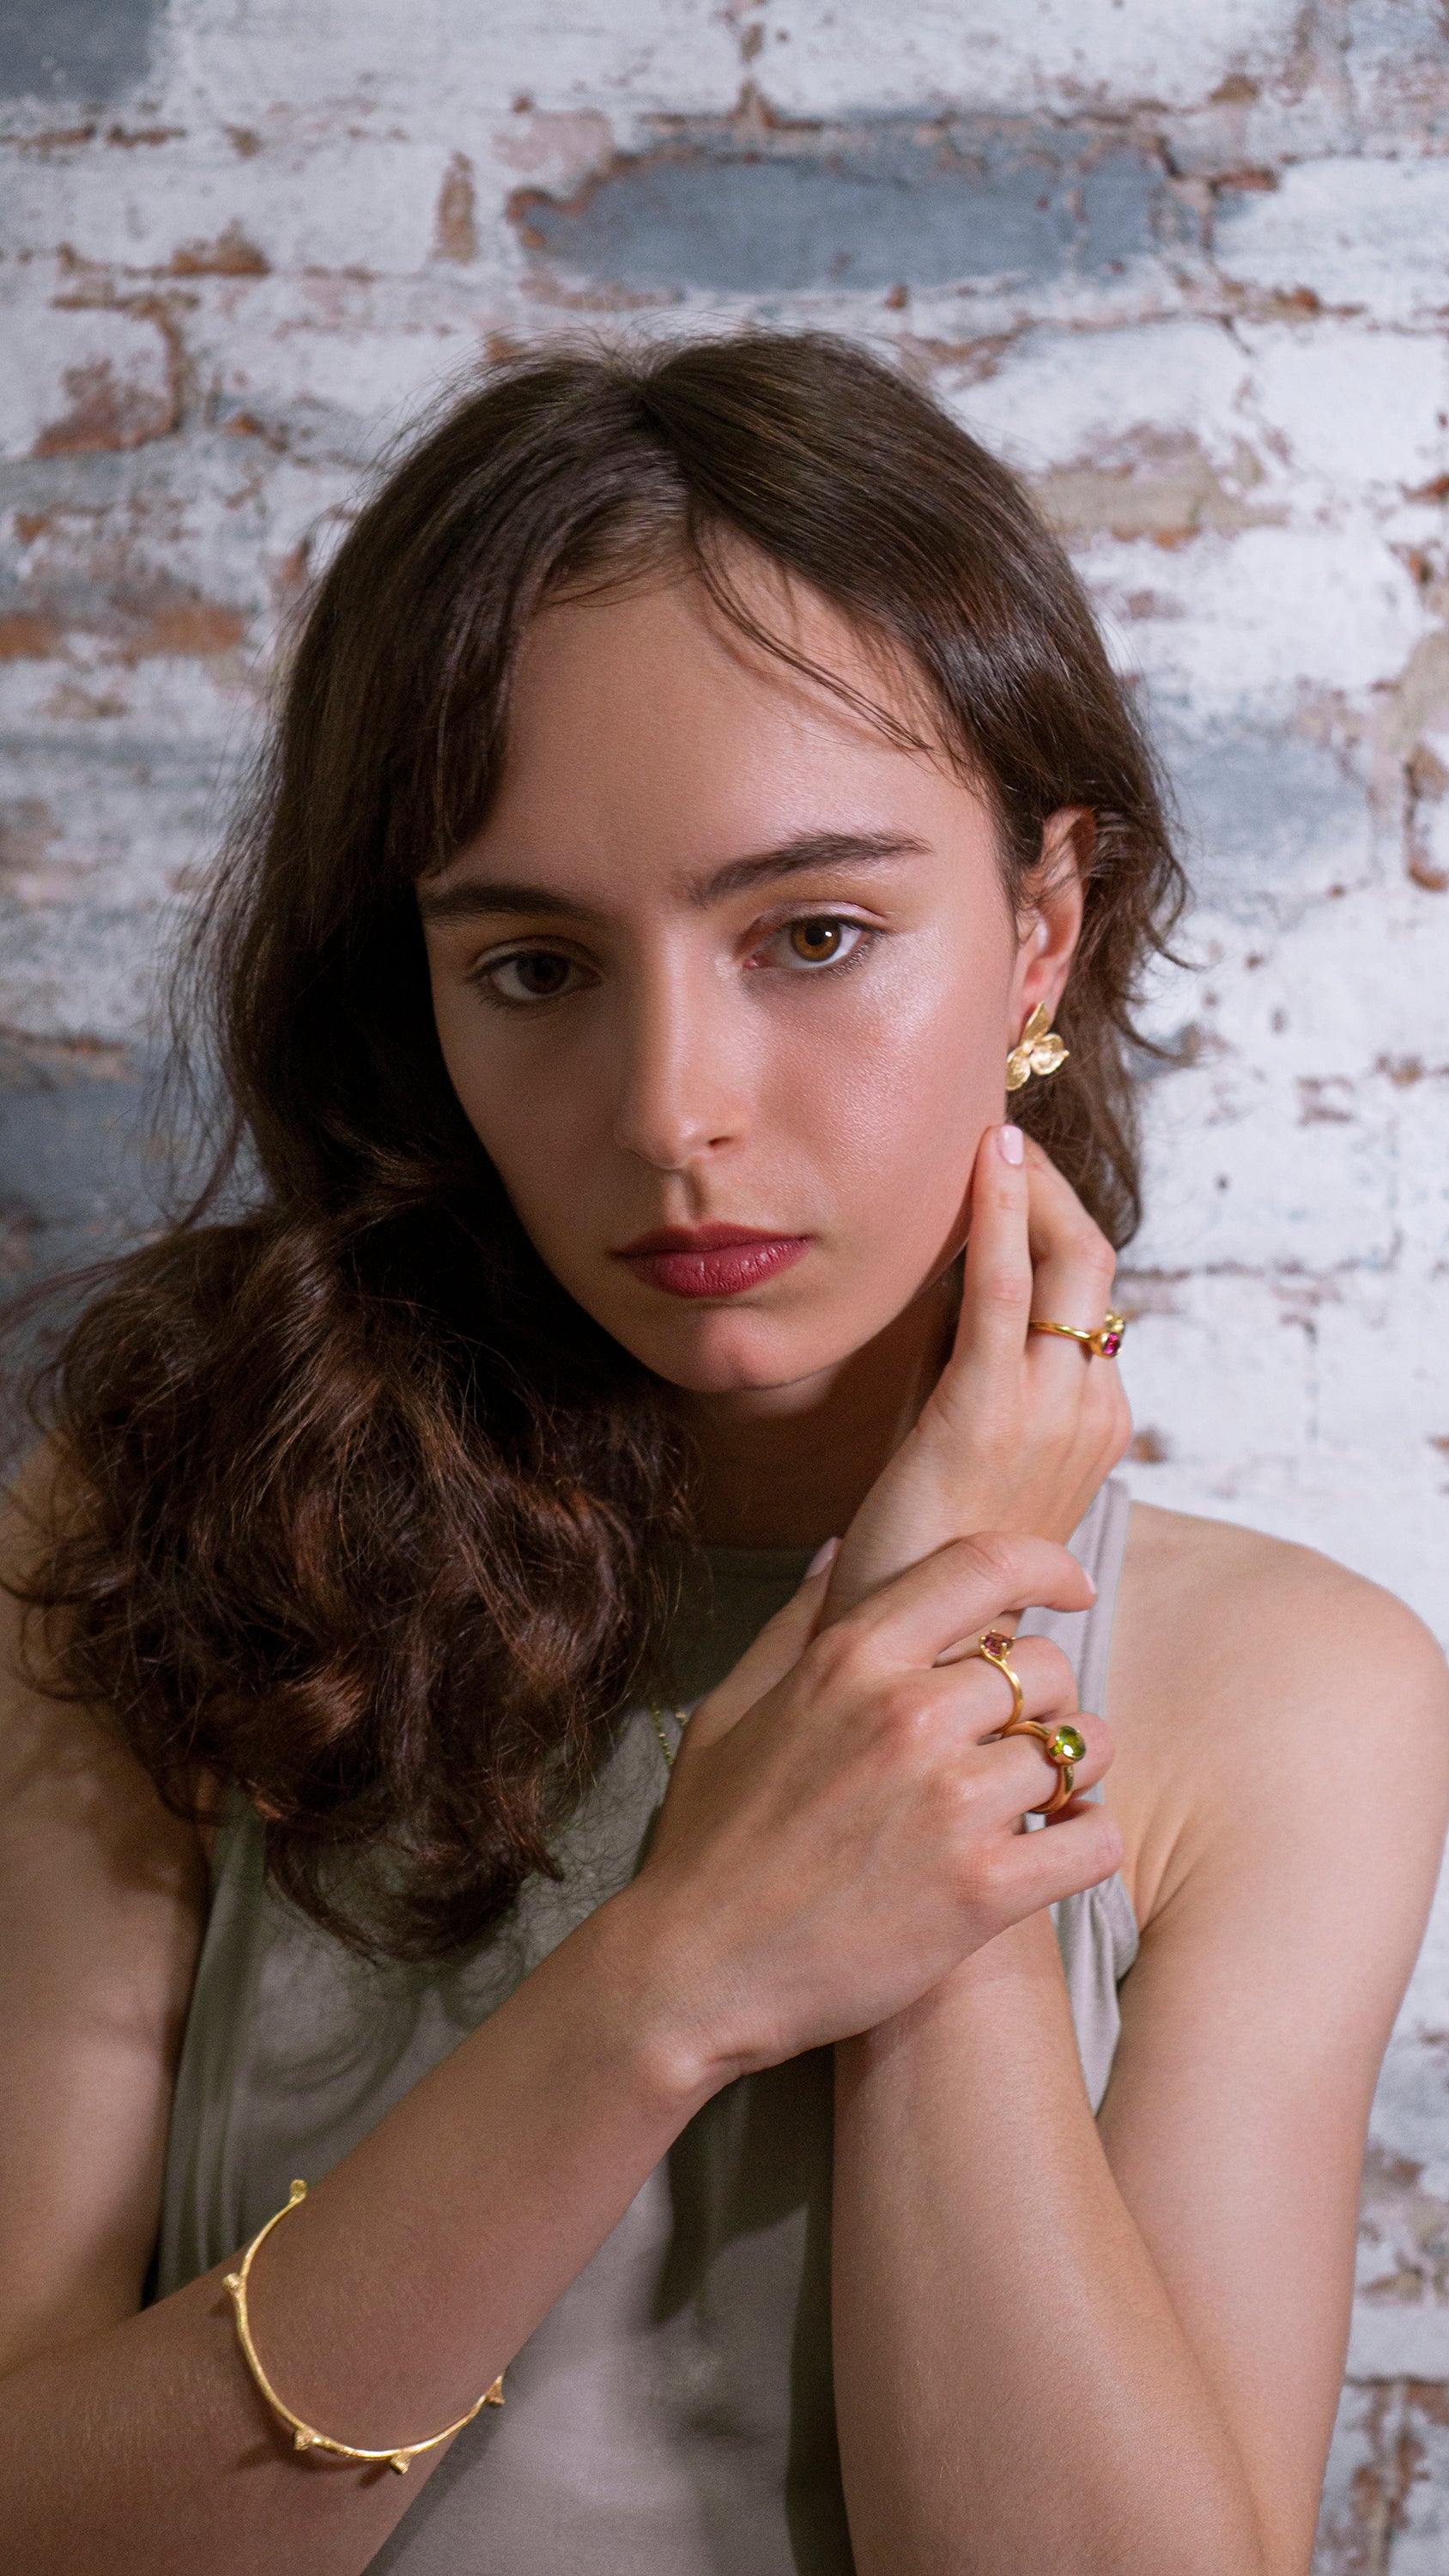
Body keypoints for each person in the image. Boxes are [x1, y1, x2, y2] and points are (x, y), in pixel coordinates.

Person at [0, 331, 1444, 2576]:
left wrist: (931, 1654)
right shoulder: (169, 1548)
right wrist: (675, 1986)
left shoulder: (1294, 1697)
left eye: (815, 935)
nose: (675, 1111)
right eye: (540, 971)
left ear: (1042, 921)